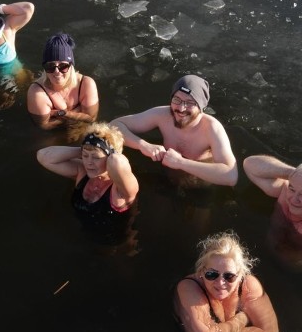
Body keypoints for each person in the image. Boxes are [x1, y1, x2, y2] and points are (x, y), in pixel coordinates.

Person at [110, 75, 238, 187]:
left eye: (190, 102)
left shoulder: (212, 128)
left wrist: (181, 163)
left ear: (201, 106)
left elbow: (231, 176)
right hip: (167, 175)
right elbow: (113, 126)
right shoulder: (162, 115)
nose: (181, 108)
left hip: (199, 182)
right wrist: (142, 145)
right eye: (177, 100)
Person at [174, 231, 279, 332]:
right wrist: (242, 319)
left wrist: (220, 330)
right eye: (212, 274)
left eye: (229, 276)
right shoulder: (189, 287)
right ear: (201, 271)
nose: (220, 283)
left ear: (240, 274)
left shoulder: (248, 286)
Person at [37, 122, 138, 236]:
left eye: (95, 157)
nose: (88, 163)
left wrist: (109, 152)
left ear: (110, 157)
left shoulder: (121, 190)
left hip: (114, 240)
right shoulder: (82, 171)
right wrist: (86, 149)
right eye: (84, 156)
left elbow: (117, 162)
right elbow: (43, 156)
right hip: (82, 233)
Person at [27, 33, 99, 130]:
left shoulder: (86, 84)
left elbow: (91, 118)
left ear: (71, 65)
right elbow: (44, 126)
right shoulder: (37, 92)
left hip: (79, 127)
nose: (57, 72)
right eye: (50, 66)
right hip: (53, 134)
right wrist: (77, 112)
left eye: (63, 66)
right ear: (44, 68)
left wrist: (61, 113)